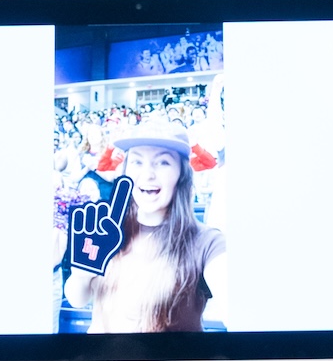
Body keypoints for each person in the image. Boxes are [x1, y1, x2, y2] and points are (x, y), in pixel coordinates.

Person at [64, 122, 227, 333]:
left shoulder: (206, 242)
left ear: (182, 174)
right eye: (137, 162)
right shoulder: (106, 232)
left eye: (163, 163)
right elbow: (78, 299)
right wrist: (81, 274)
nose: (148, 174)